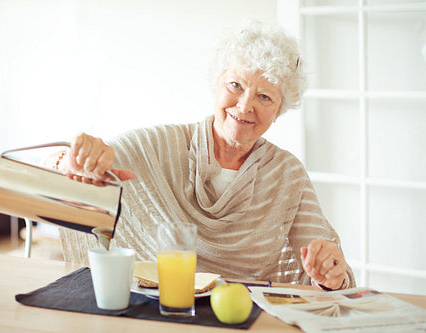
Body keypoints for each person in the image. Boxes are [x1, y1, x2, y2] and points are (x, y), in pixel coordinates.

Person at [52, 20, 355, 290]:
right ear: (217, 84)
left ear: (278, 110)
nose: (245, 105)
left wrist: (331, 275)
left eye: (264, 96)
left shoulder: (287, 174)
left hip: (241, 319)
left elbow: (329, 266)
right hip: (155, 312)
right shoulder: (155, 145)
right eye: (235, 85)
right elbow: (68, 179)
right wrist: (76, 161)